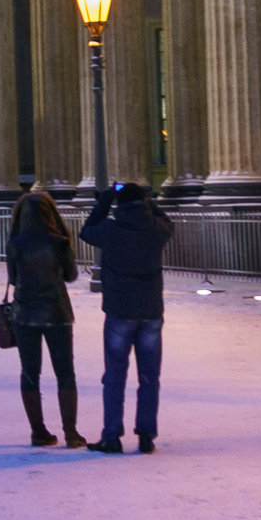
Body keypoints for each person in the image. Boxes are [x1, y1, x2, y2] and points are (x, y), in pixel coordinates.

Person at [79, 181, 174, 454]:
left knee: (115, 375)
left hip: (120, 310)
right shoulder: (157, 229)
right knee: (149, 376)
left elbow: (86, 231)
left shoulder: (110, 230)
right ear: (144, 202)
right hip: (151, 311)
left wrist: (104, 201)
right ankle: (146, 435)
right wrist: (147, 200)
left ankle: (111, 435)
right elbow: (166, 220)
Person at [5, 188, 84, 449]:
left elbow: (13, 279)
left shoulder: (15, 243)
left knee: (30, 372)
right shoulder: (60, 241)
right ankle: (71, 433)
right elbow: (71, 276)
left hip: (24, 315)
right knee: (65, 373)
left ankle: (38, 431)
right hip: (57, 313)